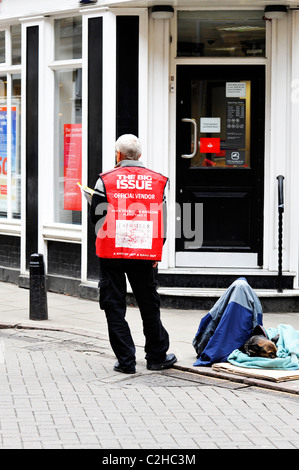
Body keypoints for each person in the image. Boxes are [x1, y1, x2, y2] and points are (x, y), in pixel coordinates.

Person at [90, 134, 177, 374]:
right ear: (139, 156)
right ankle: (157, 356)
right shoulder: (157, 182)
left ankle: (126, 361)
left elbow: (97, 220)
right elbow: (163, 222)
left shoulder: (105, 181)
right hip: (144, 253)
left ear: (118, 155)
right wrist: (156, 252)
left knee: (114, 305)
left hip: (112, 253)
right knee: (149, 302)